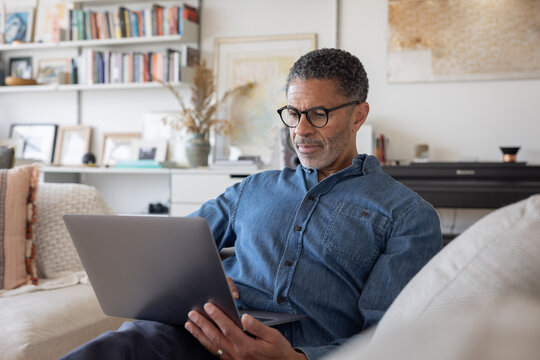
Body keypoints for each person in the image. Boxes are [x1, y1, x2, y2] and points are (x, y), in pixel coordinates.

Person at [61, 48, 442, 360]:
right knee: (124, 345)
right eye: (293, 114)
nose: (301, 130)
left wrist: (296, 359)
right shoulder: (252, 188)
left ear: (359, 115)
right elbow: (167, 249)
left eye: (318, 115)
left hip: (295, 356)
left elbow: (388, 337)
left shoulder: (407, 215)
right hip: (197, 338)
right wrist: (189, 282)